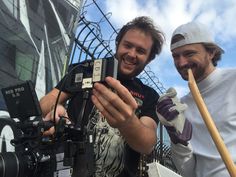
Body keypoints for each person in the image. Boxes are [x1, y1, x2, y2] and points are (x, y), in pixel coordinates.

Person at [40, 16, 165, 177]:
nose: (132, 54)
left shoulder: (149, 95)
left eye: (141, 51)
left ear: (149, 58)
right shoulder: (84, 70)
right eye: (127, 45)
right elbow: (44, 103)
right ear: (118, 44)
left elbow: (147, 143)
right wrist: (56, 107)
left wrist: (127, 122)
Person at [156, 21, 236, 177]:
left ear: (211, 52)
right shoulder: (182, 107)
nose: (181, 63)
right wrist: (177, 139)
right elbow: (189, 172)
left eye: (189, 53)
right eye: (175, 56)